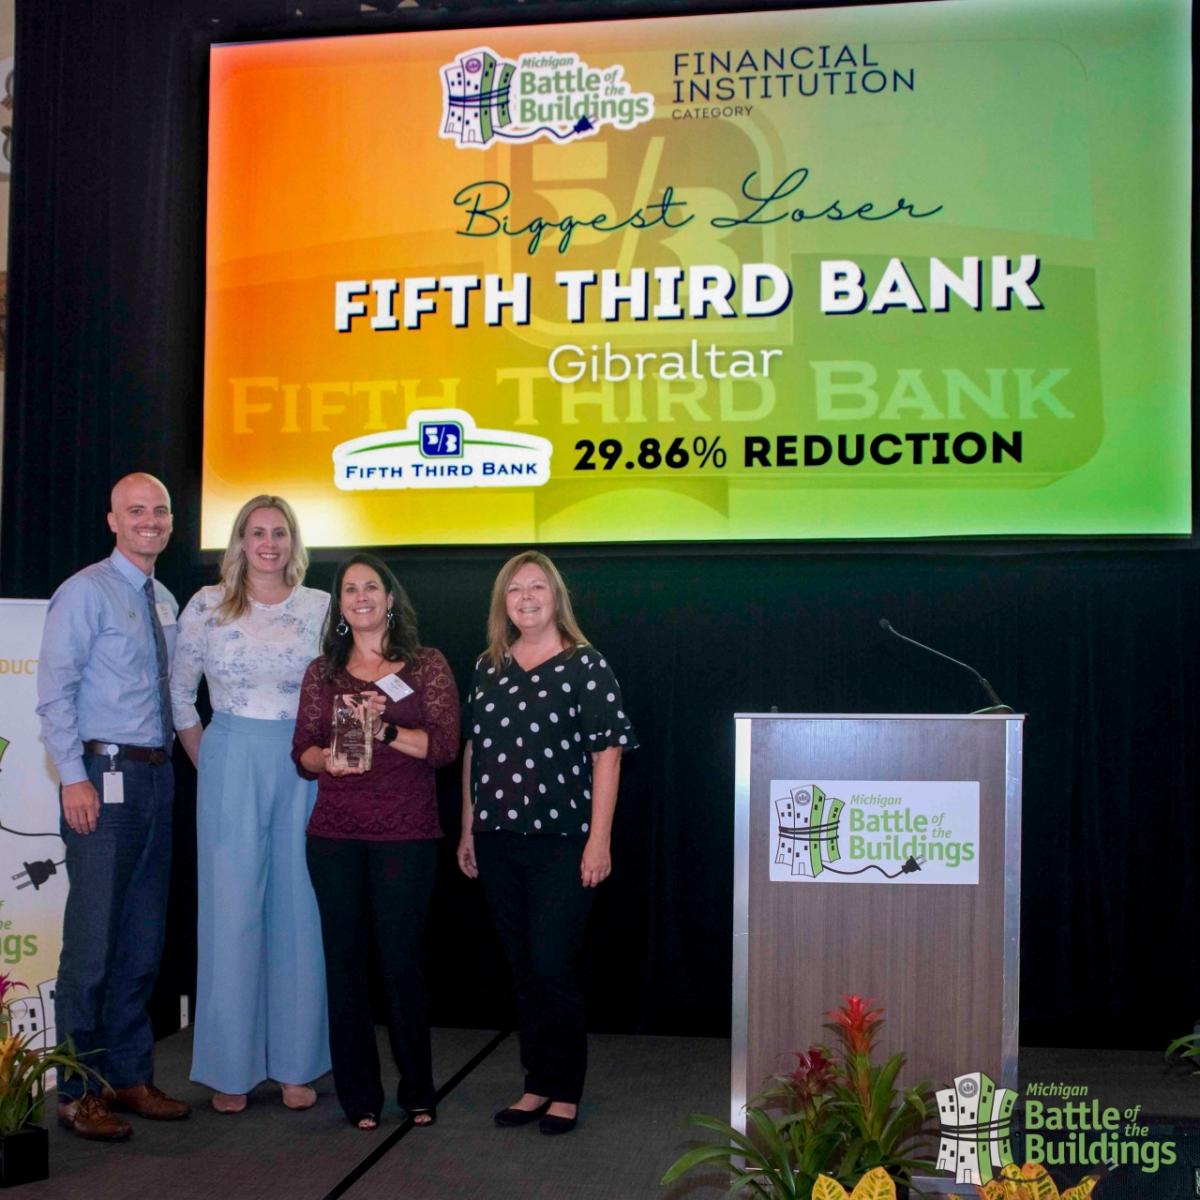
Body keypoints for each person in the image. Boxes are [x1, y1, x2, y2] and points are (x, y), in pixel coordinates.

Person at [456, 551, 636, 1136]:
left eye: (537, 587)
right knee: (522, 969)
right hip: (498, 839)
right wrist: (468, 828)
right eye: (515, 589)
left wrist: (598, 840)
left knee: (553, 966)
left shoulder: (586, 665)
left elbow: (606, 752)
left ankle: (566, 1091)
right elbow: (473, 754)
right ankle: (535, 1084)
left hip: (564, 841)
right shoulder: (489, 666)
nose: (526, 597)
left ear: (556, 597)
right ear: (501, 603)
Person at [36, 473, 191, 1141]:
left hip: (157, 780)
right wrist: (74, 779)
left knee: (142, 942)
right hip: (101, 777)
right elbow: (53, 694)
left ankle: (128, 1075)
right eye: (136, 511)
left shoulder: (165, 599)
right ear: (112, 520)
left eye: (159, 511)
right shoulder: (84, 592)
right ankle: (75, 1092)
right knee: (93, 947)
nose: (150, 521)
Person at [170, 495, 330, 1114]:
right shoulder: (206, 606)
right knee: (231, 913)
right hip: (229, 756)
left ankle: (296, 1065)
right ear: (238, 541)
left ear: (294, 542)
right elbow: (181, 696)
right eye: (257, 532)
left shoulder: (319, 608)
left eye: (280, 532)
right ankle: (230, 1068)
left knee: (300, 908)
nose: (269, 543)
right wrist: (211, 763)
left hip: (301, 764)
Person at [291, 554, 459, 1131]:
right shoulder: (323, 672)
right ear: (339, 605)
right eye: (349, 589)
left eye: (371, 587)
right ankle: (358, 1097)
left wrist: (383, 726)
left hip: (406, 837)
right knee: (344, 968)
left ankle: (417, 1091)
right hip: (335, 836)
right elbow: (303, 755)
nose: (360, 596)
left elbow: (443, 749)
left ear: (391, 598)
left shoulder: (426, 665)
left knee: (402, 964)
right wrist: (328, 759)